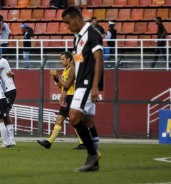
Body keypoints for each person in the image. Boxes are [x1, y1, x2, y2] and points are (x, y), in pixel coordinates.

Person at [62, 6, 103, 172]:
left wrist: (95, 87)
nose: (67, 26)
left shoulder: (93, 35)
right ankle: (93, 158)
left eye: (67, 22)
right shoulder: (77, 39)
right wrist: (66, 87)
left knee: (73, 116)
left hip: (88, 83)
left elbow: (99, 61)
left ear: (76, 18)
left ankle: (92, 154)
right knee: (85, 119)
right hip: (79, 84)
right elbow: (76, 64)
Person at [37, 52, 86, 150]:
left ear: (68, 60)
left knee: (62, 120)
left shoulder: (72, 68)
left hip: (71, 97)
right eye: (61, 59)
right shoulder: (65, 70)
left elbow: (67, 85)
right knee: (68, 120)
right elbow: (61, 87)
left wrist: (58, 77)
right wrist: (56, 78)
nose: (61, 61)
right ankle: (82, 142)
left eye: (63, 59)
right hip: (68, 96)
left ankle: (49, 142)